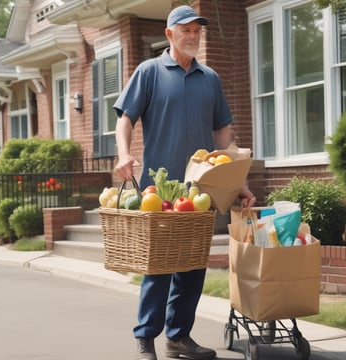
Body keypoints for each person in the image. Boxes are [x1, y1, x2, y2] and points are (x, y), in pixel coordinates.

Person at [113, 5, 256, 360]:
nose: (193, 36)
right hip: (158, 191)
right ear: (169, 34)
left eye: (197, 30)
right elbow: (125, 119)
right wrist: (123, 154)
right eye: (186, 30)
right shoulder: (149, 71)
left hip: (202, 190)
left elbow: (223, 131)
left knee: (192, 264)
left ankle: (179, 336)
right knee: (159, 265)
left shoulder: (210, 78)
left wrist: (238, 178)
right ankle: (146, 337)